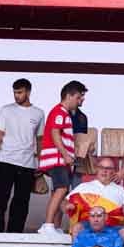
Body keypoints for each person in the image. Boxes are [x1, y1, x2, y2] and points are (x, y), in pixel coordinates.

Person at [0, 78, 45, 233]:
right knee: (0, 199)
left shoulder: (39, 113)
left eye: (20, 92)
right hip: (5, 161)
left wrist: (41, 163)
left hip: (28, 164)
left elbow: (40, 139)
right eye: (15, 92)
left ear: (28, 92)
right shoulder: (5, 110)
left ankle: (15, 234)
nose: (16, 96)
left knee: (21, 202)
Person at [38, 80, 87, 233]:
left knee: (59, 192)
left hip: (60, 160)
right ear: (68, 95)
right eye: (78, 98)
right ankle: (47, 225)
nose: (80, 101)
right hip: (57, 159)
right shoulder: (59, 112)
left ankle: (54, 225)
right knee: (62, 189)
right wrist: (66, 155)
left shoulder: (63, 113)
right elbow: (55, 133)